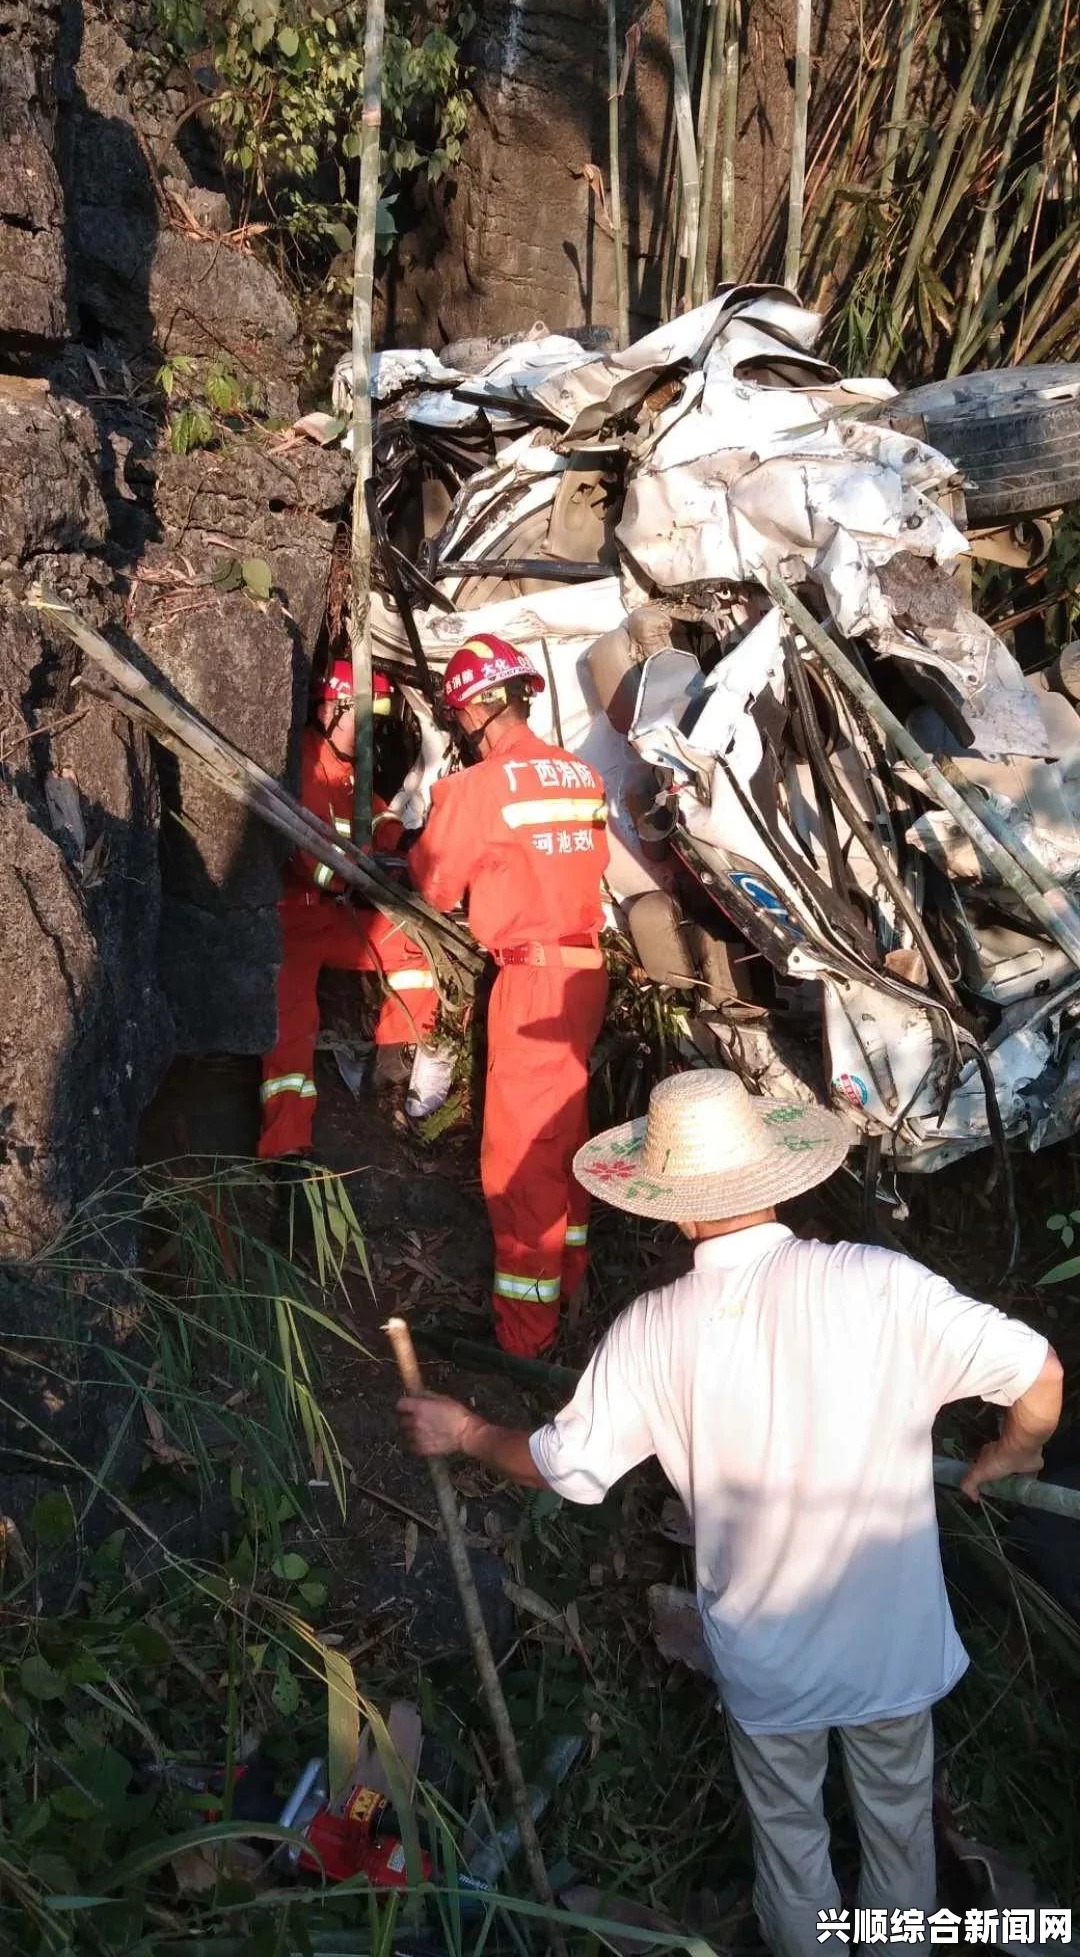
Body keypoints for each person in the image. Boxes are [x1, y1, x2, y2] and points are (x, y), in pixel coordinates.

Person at [397, 1068, 1063, 1957]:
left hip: (768, 1658)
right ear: (780, 1178)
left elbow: (563, 1467)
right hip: (890, 1640)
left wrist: (470, 1428)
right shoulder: (878, 1283)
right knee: (899, 1829)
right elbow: (1037, 1372)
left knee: (791, 1845)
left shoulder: (651, 1330)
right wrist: (1011, 1451)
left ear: (674, 1210)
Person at [407, 635, 610, 1355]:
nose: (460, 729)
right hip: (584, 974)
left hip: (531, 981)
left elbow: (434, 883)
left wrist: (429, 823)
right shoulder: (582, 777)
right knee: (563, 1134)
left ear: (482, 708)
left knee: (518, 1155)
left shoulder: (475, 790)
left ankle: (525, 1339)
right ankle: (572, 1276)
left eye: (460, 716)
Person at [258, 659, 440, 1163]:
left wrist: (410, 845)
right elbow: (299, 854)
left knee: (414, 950)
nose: (367, 731)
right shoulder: (301, 763)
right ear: (328, 707)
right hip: (286, 921)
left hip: (333, 918)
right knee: (291, 1031)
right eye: (359, 716)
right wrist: (351, 874)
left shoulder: (350, 772)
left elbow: (383, 823)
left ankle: (390, 1076)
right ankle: (287, 1147)